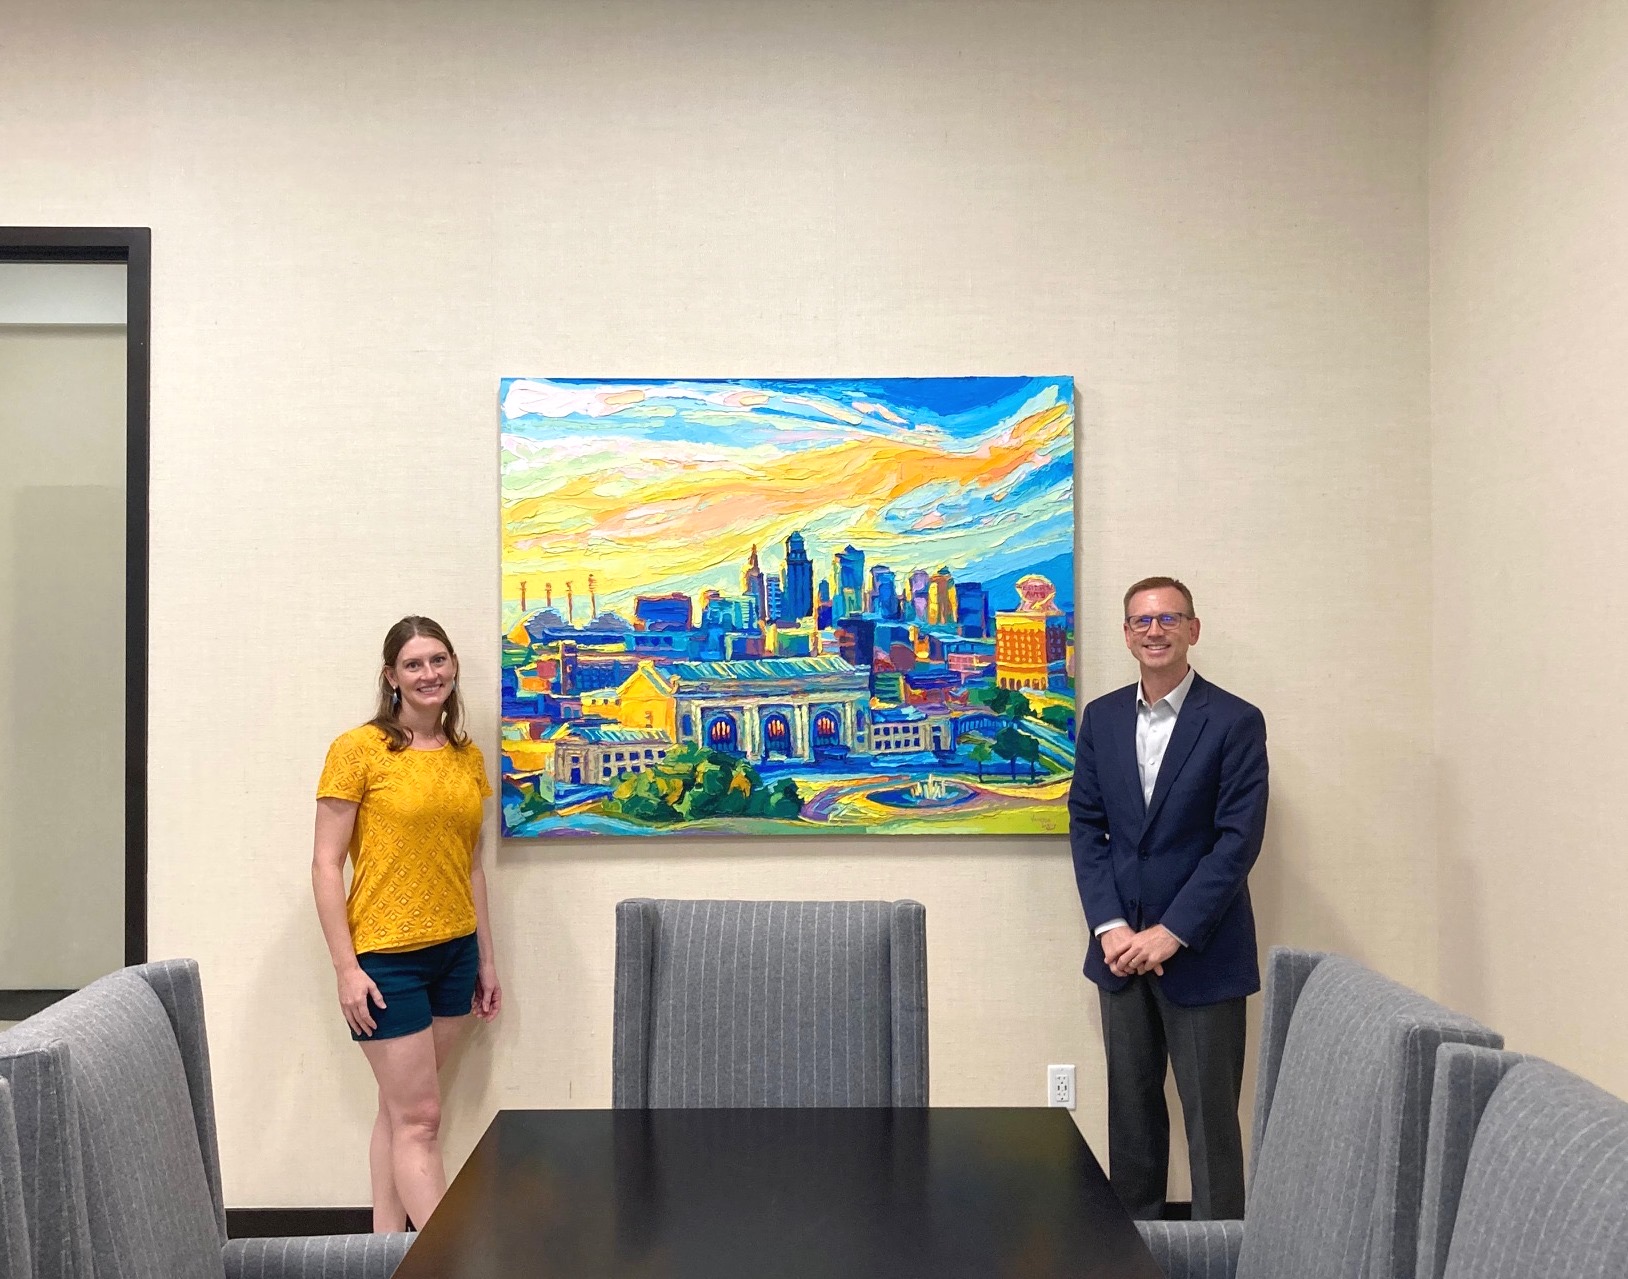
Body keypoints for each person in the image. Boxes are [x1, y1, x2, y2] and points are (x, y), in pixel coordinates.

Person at [1068, 577, 1268, 1221]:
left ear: (1192, 630)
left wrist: (1171, 932)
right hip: (1120, 954)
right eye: (1141, 621)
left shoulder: (1235, 721)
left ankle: (1221, 1255)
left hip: (1203, 954)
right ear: (1127, 635)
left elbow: (1237, 842)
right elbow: (1087, 827)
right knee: (1131, 1121)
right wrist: (1110, 926)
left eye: (1169, 618)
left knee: (1212, 1126)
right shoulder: (1100, 719)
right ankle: (1135, 1251)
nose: (1154, 631)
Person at [312, 615, 501, 1232]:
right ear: (391, 676)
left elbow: (471, 865)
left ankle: (386, 1251)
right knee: (421, 1120)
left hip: (455, 955)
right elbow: (325, 864)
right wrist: (346, 969)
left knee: (400, 1113)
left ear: (454, 667)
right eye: (413, 664)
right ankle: (452, 1261)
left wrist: (487, 960)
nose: (428, 674)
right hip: (386, 960)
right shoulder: (358, 750)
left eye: (438, 660)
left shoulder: (467, 757)